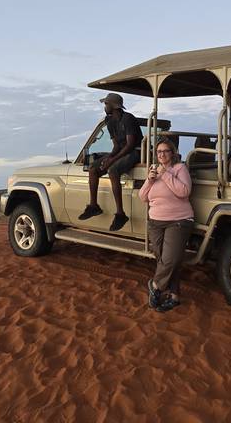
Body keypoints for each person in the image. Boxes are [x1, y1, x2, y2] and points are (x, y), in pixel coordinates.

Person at [138, 136, 194, 312]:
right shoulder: (154, 170)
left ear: (173, 153)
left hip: (178, 221)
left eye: (165, 151)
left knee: (169, 260)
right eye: (159, 151)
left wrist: (166, 174)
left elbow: (184, 192)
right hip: (155, 222)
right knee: (167, 261)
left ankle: (155, 286)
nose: (161, 154)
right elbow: (142, 197)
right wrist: (150, 179)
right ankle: (174, 296)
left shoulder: (179, 168)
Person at [79, 92, 143, 231]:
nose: (104, 106)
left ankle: (120, 214)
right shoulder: (109, 121)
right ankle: (93, 206)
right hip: (122, 150)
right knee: (93, 169)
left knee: (113, 170)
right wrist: (109, 158)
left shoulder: (128, 119)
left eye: (106, 103)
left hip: (135, 152)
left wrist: (112, 160)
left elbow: (130, 145)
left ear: (113, 105)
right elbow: (116, 146)